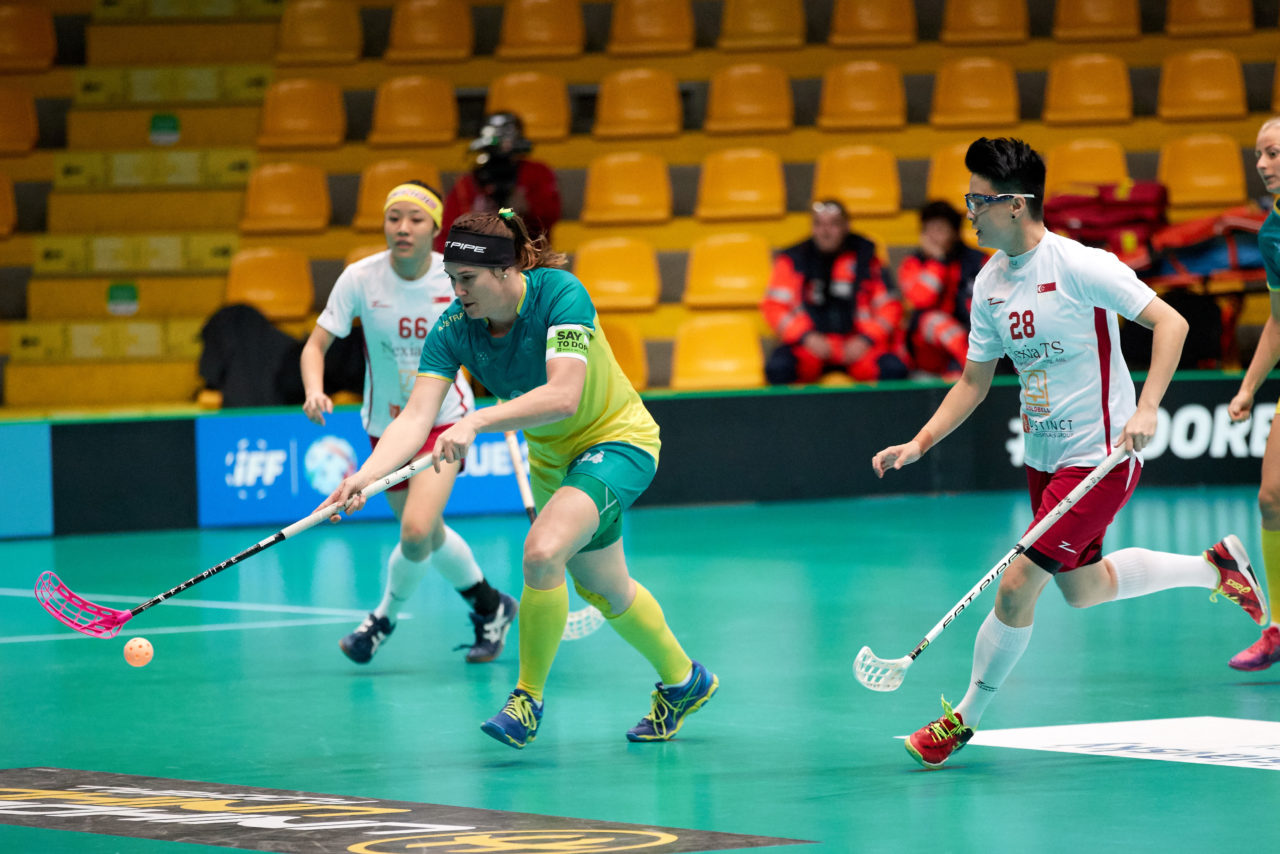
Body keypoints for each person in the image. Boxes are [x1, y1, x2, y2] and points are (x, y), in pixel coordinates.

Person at [871, 137, 1268, 770]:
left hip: (1101, 455)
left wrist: (1147, 410)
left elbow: (1173, 324)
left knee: (1016, 586)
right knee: (1082, 589)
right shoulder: (990, 283)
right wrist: (920, 443)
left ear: (1017, 203)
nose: (969, 209)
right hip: (1044, 457)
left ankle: (959, 720)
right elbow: (974, 382)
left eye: (979, 198)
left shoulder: (1082, 265)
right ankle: (1214, 567)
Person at [325, 208, 717, 749]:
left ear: (506, 272)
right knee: (604, 587)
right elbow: (416, 416)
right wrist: (364, 478)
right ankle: (684, 680)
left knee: (540, 553)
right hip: (555, 463)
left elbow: (564, 395)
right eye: (452, 280)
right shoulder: (455, 328)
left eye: (467, 280)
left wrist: (477, 419)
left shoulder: (561, 295)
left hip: (616, 441)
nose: (456, 291)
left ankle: (526, 701)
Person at [301, 181, 518, 666]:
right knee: (429, 532)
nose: (402, 227)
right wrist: (315, 389)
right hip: (387, 426)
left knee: (417, 532)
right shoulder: (360, 278)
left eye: (415, 219)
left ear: (436, 228)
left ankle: (381, 620)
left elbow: (495, 332)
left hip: (444, 420)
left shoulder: (454, 279)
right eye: (393, 217)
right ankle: (491, 606)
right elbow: (315, 345)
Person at [1224, 116, 1280, 671]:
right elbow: (1279, 322)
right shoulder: (1271, 232)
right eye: (1259, 155)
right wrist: (1248, 388)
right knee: (1272, 497)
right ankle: (1279, 628)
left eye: (1274, 153)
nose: (1262, 166)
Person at [762, 200, 909, 384]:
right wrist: (806, 337)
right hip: (809, 346)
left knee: (894, 370)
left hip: (857, 346)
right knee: (779, 369)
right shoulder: (793, 259)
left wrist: (866, 339)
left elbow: (890, 307)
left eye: (833, 224)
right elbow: (774, 307)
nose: (825, 231)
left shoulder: (866, 259)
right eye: (819, 224)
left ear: (846, 226)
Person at [434, 112, 562, 253]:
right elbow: (448, 233)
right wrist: (476, 219)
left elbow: (551, 217)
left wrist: (527, 209)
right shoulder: (468, 182)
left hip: (528, 256)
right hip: (480, 258)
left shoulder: (537, 173)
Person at [897, 200, 988, 377]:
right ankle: (976, 372)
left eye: (939, 229)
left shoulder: (979, 261)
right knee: (935, 321)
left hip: (971, 338)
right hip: (928, 350)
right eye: (927, 229)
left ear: (955, 233)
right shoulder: (912, 265)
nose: (932, 236)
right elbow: (922, 300)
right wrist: (937, 261)